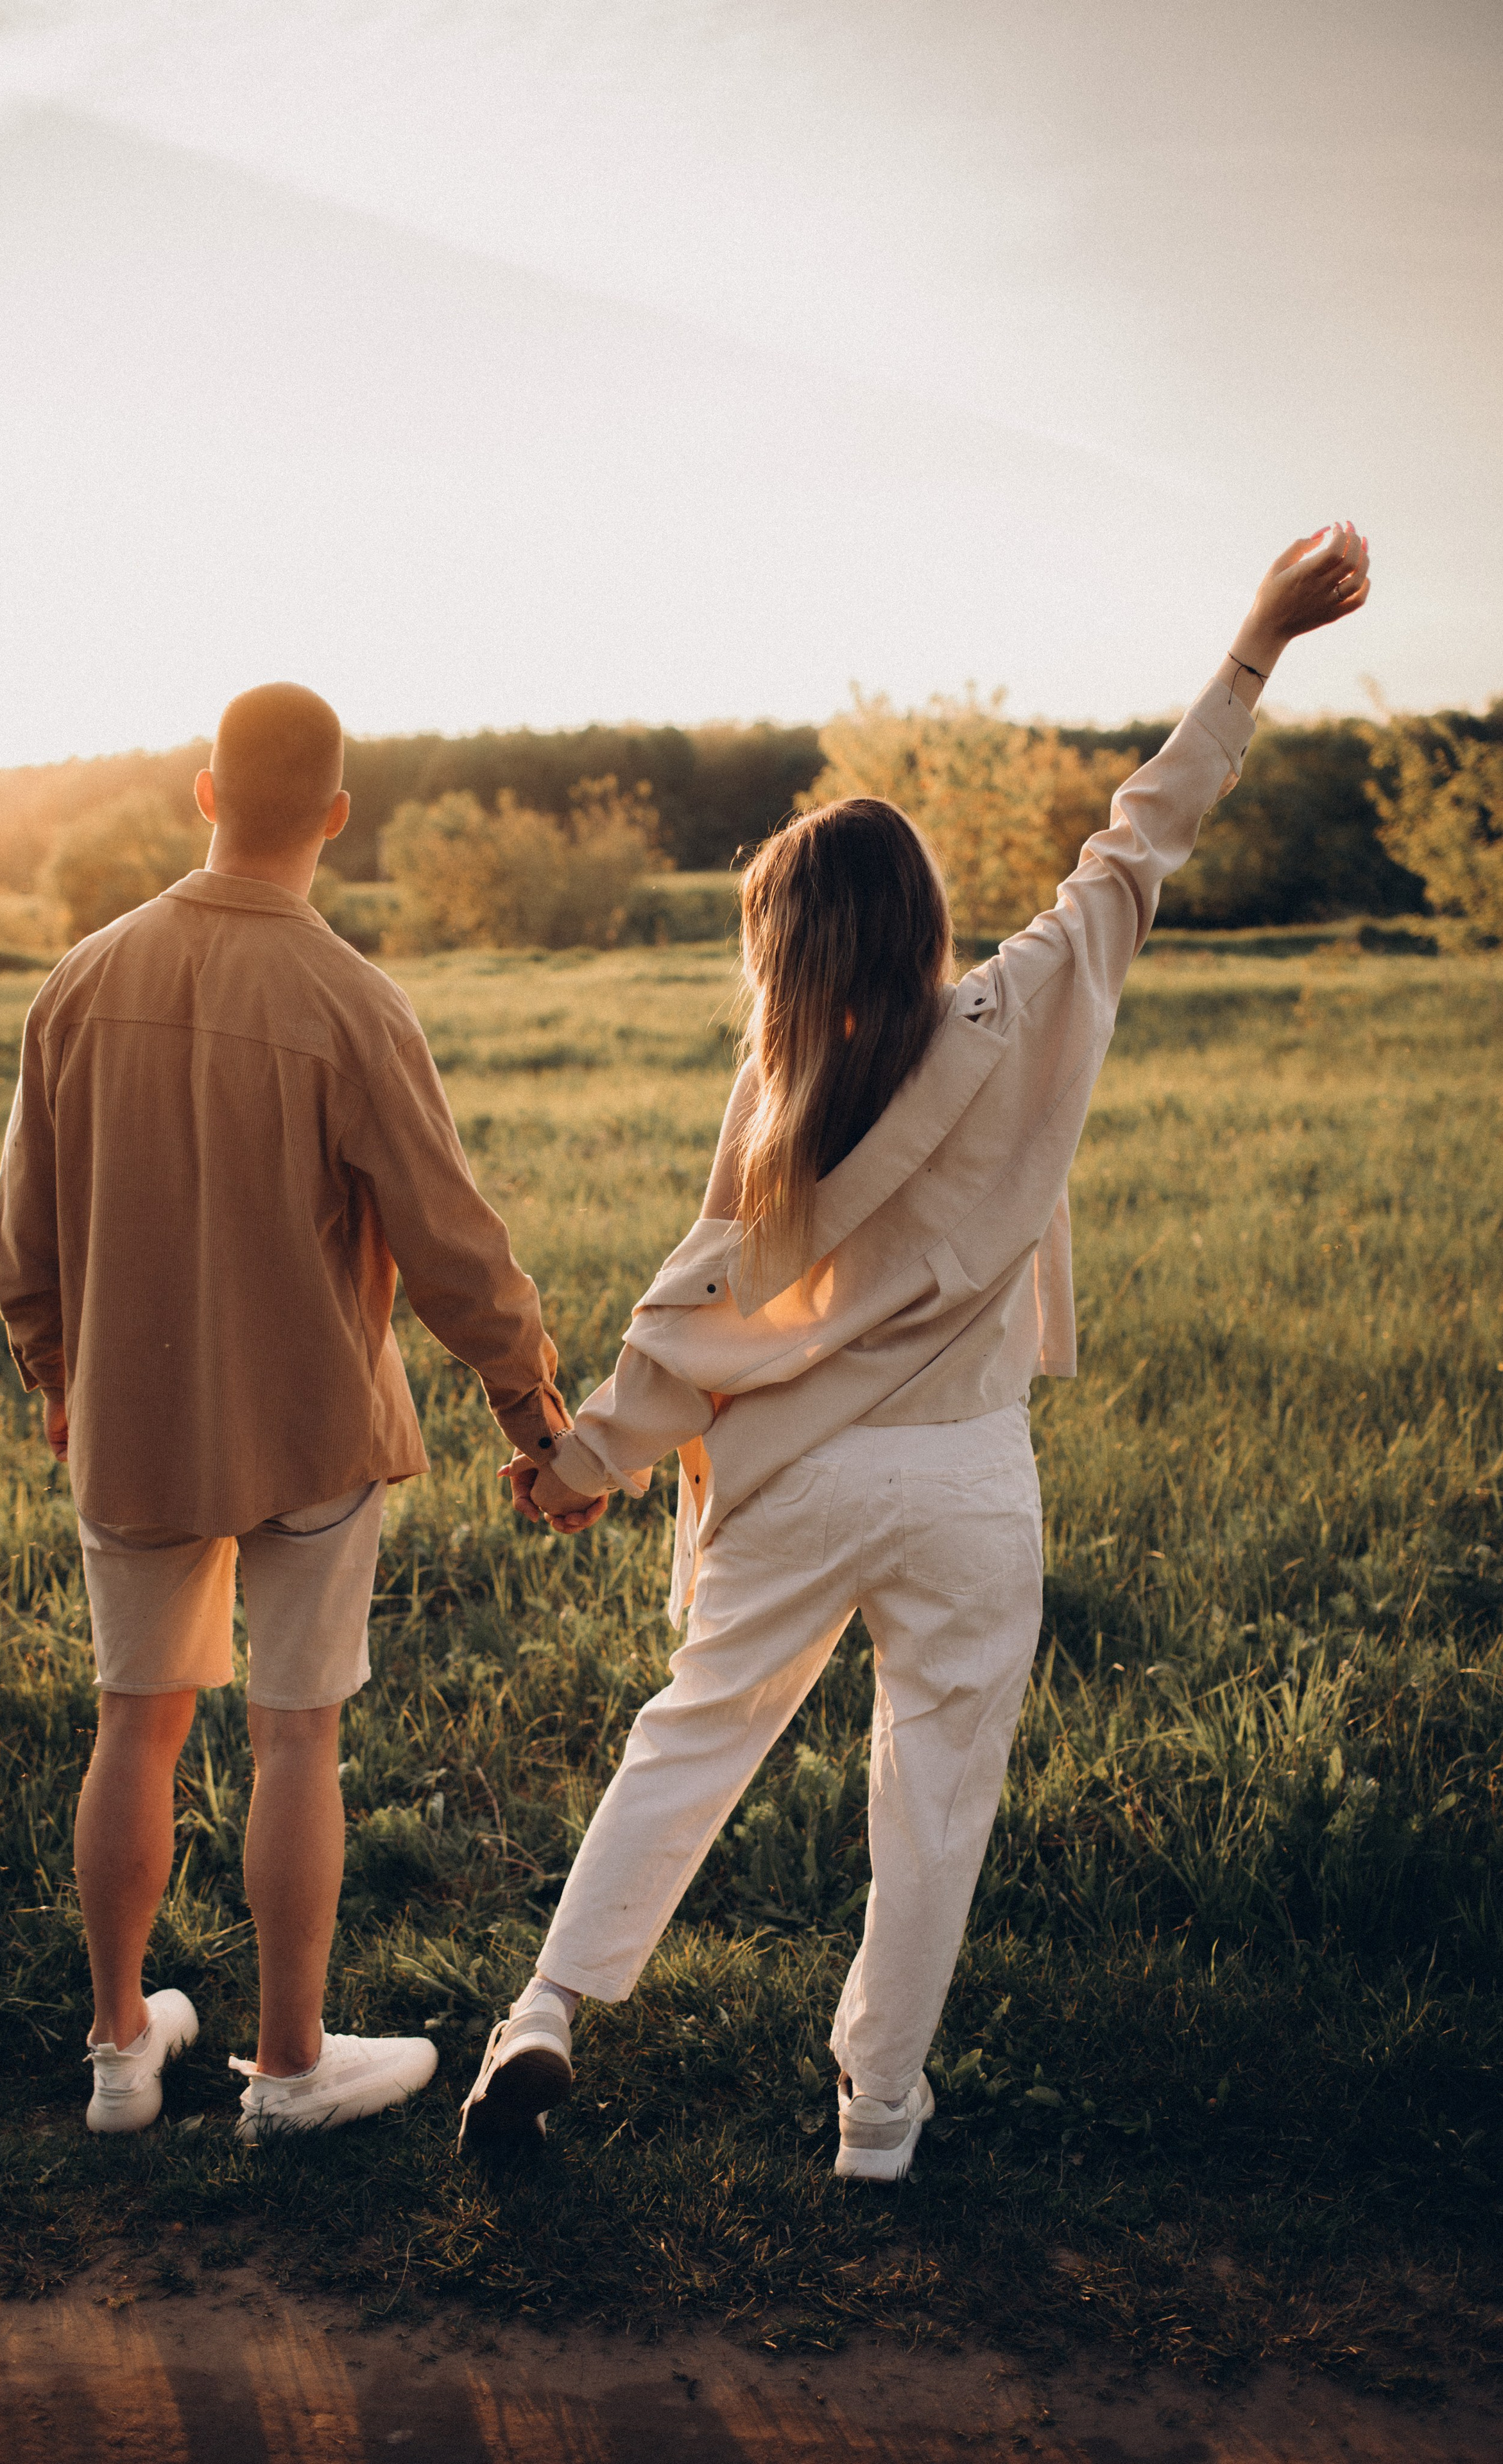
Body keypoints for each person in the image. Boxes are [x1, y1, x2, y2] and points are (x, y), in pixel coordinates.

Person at [464, 526, 1372, 2178]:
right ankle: (876, 2121)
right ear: (924, 915)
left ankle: (543, 2014)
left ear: (783, 953)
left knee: (691, 1737)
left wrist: (579, 1463)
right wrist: (1255, 644)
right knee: (931, 1795)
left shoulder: (776, 1099)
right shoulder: (1018, 1012)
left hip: (799, 1478)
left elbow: (690, 1312)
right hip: (963, 1479)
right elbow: (1142, 832)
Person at [0, 683, 573, 2140]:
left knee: (137, 1725)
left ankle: (123, 2052)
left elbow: (18, 1251)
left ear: (202, 795)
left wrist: (61, 1381)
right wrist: (532, 1415)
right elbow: (453, 1249)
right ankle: (292, 2066)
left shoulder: (77, 981)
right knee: (294, 1738)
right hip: (310, 1436)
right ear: (333, 819)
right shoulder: (352, 1003)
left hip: (131, 1432)